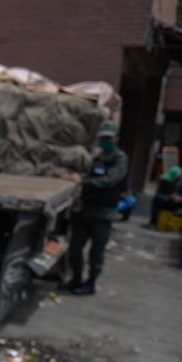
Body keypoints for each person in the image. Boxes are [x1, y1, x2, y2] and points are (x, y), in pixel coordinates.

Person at [60, 121, 128, 296]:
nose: (104, 141)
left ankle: (90, 284)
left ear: (116, 139)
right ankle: (75, 280)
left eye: (108, 138)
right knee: (75, 249)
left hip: (103, 213)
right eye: (102, 138)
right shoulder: (98, 158)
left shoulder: (119, 159)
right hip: (85, 211)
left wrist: (83, 181)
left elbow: (109, 181)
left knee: (96, 252)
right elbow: (89, 174)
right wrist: (78, 177)